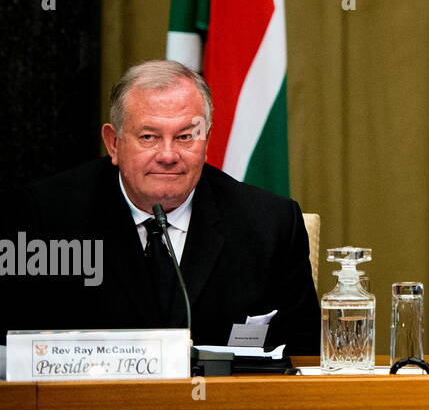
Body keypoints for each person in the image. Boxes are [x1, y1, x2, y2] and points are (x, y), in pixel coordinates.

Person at [11, 60, 318, 354]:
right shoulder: (46, 216)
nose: (168, 155)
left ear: (206, 141)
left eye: (185, 137)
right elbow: (16, 349)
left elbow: (306, 355)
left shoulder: (269, 224)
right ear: (113, 143)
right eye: (149, 137)